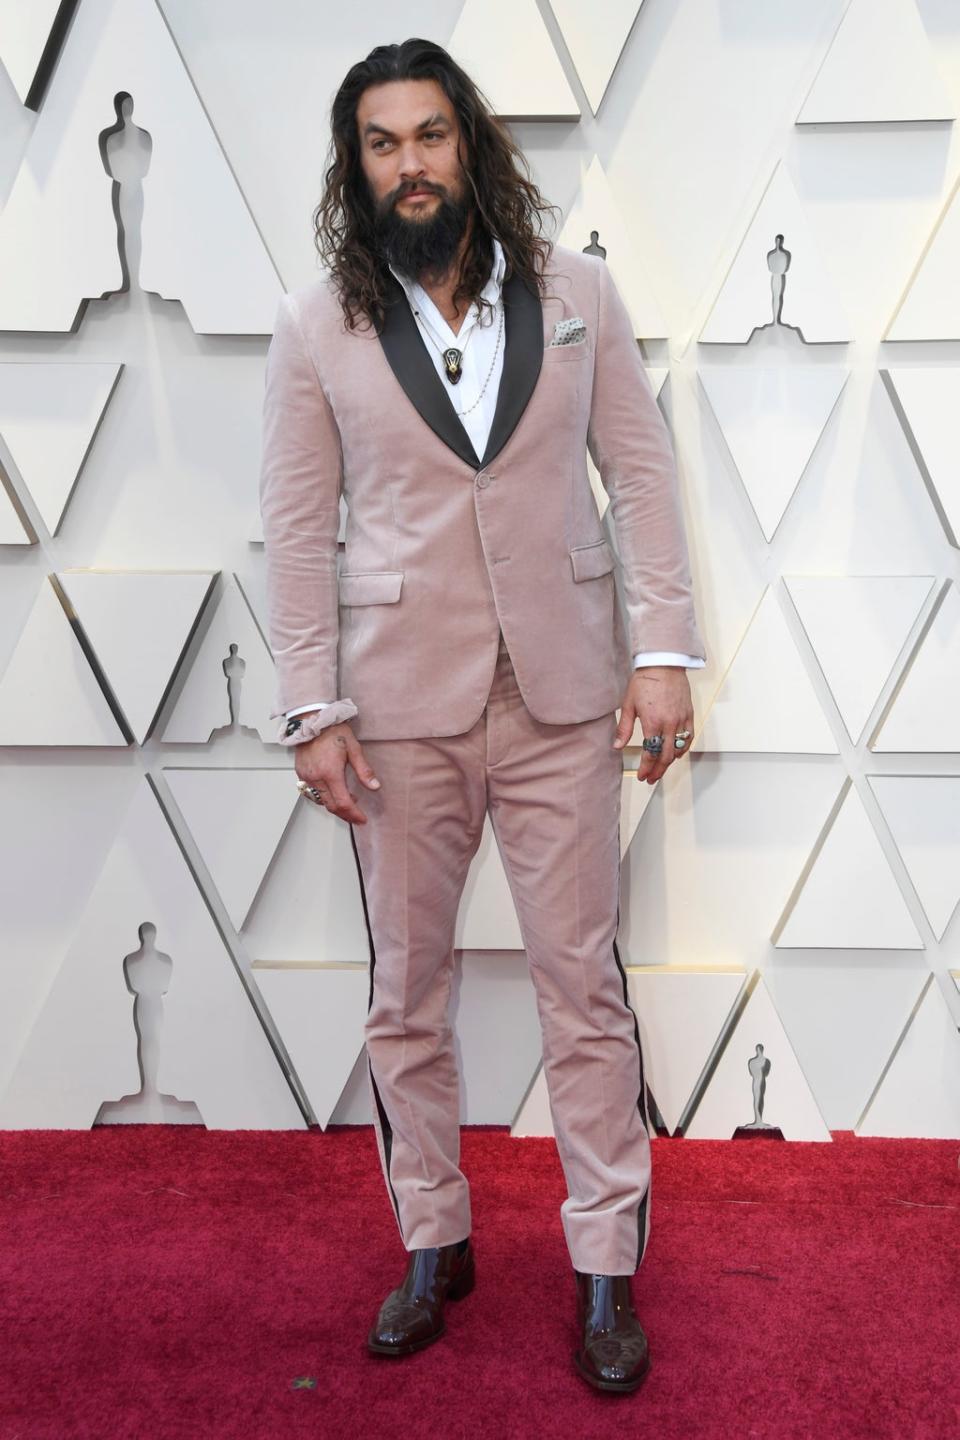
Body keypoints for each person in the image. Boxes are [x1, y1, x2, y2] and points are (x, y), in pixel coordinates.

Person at [258, 37, 706, 1395]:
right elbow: (291, 534)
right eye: (382, 143)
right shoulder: (313, 326)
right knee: (409, 993)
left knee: (585, 988)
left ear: (473, 146)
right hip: (396, 711)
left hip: (566, 695)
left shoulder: (580, 296)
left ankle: (604, 1265)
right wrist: (311, 708)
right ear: (359, 165)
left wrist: (665, 651)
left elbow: (639, 475)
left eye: (431, 136)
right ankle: (432, 1239)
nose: (410, 163)